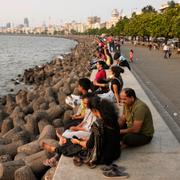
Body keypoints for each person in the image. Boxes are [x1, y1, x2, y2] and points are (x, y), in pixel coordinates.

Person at [71, 96, 121, 167]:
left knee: (73, 144)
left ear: (94, 110)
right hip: (116, 153)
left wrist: (77, 141)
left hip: (104, 158)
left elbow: (89, 145)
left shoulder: (98, 124)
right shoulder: (113, 118)